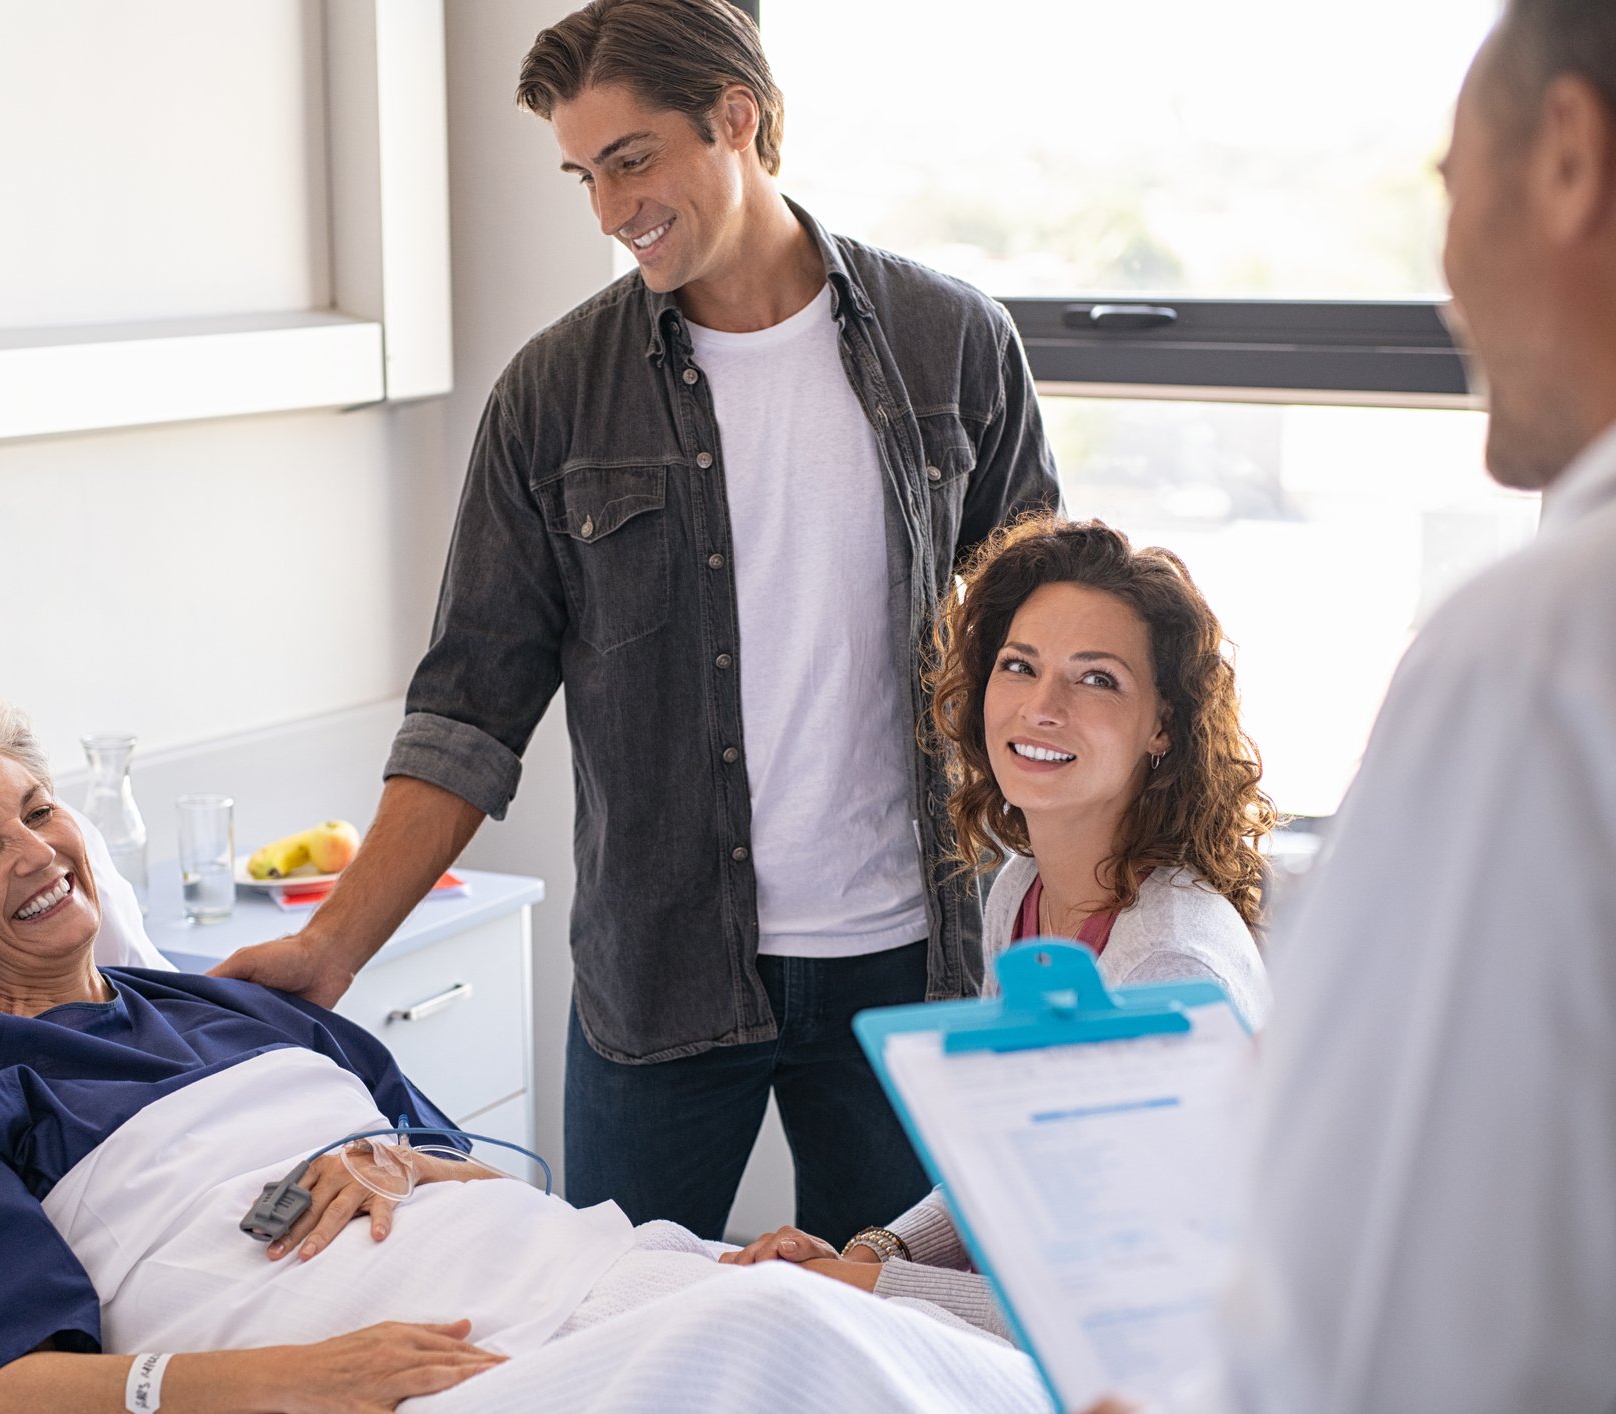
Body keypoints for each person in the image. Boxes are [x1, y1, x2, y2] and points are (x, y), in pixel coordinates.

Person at [211, 0, 1059, 1249]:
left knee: (899, 1349)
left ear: (738, 120)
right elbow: (468, 708)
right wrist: (334, 949)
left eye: (631, 161)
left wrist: (1104, 912)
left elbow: (1046, 666)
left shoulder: (954, 345)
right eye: (584, 177)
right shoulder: (556, 395)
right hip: (660, 975)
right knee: (602, 1329)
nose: (611, 212)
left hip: (912, 967)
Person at [0, 692, 1055, 1414]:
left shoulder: (237, 1006)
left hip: (592, 1278)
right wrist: (294, 1377)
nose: (35, 853)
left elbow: (476, 1184)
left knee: (997, 1342)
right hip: (432, 1371)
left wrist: (413, 1169)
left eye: (37, 812)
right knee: (798, 1338)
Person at [1080, 2, 1616, 1409]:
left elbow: (1400, 1344)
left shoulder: (1550, 659)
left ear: (1570, 158)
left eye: (1451, 196)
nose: (1449, 278)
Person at [721, 515, 1274, 1334]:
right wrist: (877, 1253)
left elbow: (1140, 1319)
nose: (1042, 707)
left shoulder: (1167, 968)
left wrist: (864, 1289)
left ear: (1163, 725)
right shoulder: (1021, 891)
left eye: (1096, 680)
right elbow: (1006, 1163)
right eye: (1019, 667)